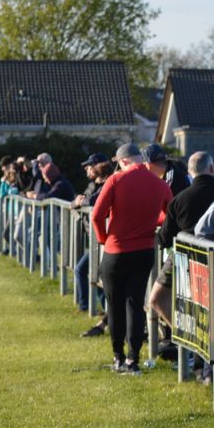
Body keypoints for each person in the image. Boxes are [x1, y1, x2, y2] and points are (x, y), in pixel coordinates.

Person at [91, 142, 172, 374]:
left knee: (114, 305)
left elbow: (97, 215)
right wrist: (149, 224)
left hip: (115, 251)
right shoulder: (160, 184)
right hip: (144, 250)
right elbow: (168, 217)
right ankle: (133, 359)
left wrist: (103, 239)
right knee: (136, 304)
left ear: (123, 161)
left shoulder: (116, 181)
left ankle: (118, 357)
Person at [149, 150, 214, 356]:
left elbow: (164, 239)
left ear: (191, 173)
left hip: (184, 261)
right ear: (212, 169)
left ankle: (192, 343)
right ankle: (212, 350)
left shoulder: (179, 200)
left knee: (156, 299)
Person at [74, 153, 111, 330]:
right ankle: (103, 311)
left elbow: (94, 201)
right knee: (95, 276)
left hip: (103, 239)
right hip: (95, 239)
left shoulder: (107, 183)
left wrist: (81, 201)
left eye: (89, 166)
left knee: (84, 270)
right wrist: (78, 201)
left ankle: (88, 307)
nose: (87, 170)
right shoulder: (92, 184)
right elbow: (82, 199)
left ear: (97, 166)